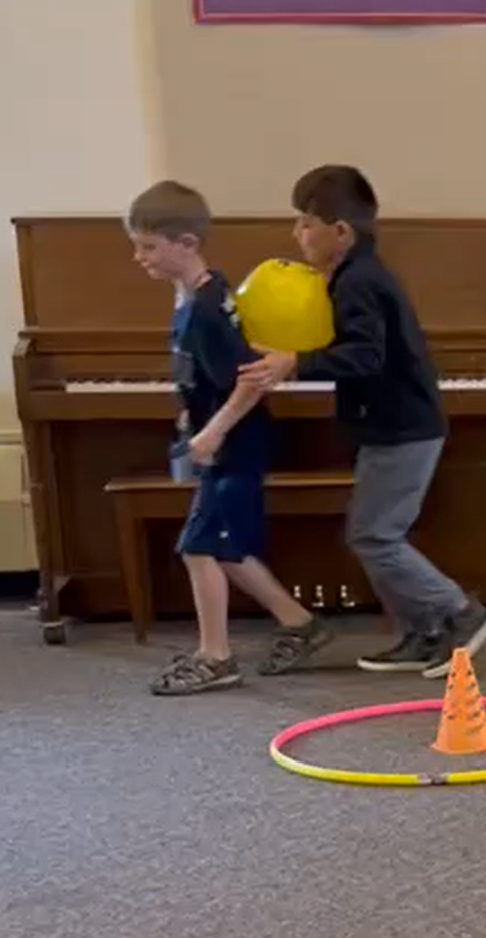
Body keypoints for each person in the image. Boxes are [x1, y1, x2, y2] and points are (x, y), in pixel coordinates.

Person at [240, 165, 486, 678]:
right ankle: (424, 634)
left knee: (375, 536)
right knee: (372, 533)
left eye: (306, 223)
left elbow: (365, 357)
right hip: (392, 426)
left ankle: (461, 613)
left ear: (341, 232)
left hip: (403, 430)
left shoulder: (357, 281)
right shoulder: (355, 275)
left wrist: (296, 362)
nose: (296, 233)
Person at [126, 180, 332, 694]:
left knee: (199, 546)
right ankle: (300, 623)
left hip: (235, 442)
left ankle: (216, 657)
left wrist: (212, 433)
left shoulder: (205, 311)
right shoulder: (198, 295)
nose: (139, 257)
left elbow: (250, 381)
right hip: (224, 439)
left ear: (186, 243)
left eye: (148, 247)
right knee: (225, 547)